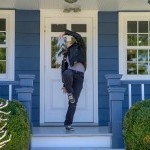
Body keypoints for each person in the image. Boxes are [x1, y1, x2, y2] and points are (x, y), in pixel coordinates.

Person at [58, 29, 86, 131]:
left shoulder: (80, 47)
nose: (67, 42)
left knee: (73, 102)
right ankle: (69, 91)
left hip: (79, 76)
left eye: (69, 41)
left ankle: (68, 124)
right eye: (66, 41)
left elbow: (78, 35)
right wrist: (65, 86)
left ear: (73, 43)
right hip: (69, 74)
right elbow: (63, 71)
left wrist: (65, 32)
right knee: (66, 72)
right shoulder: (66, 56)